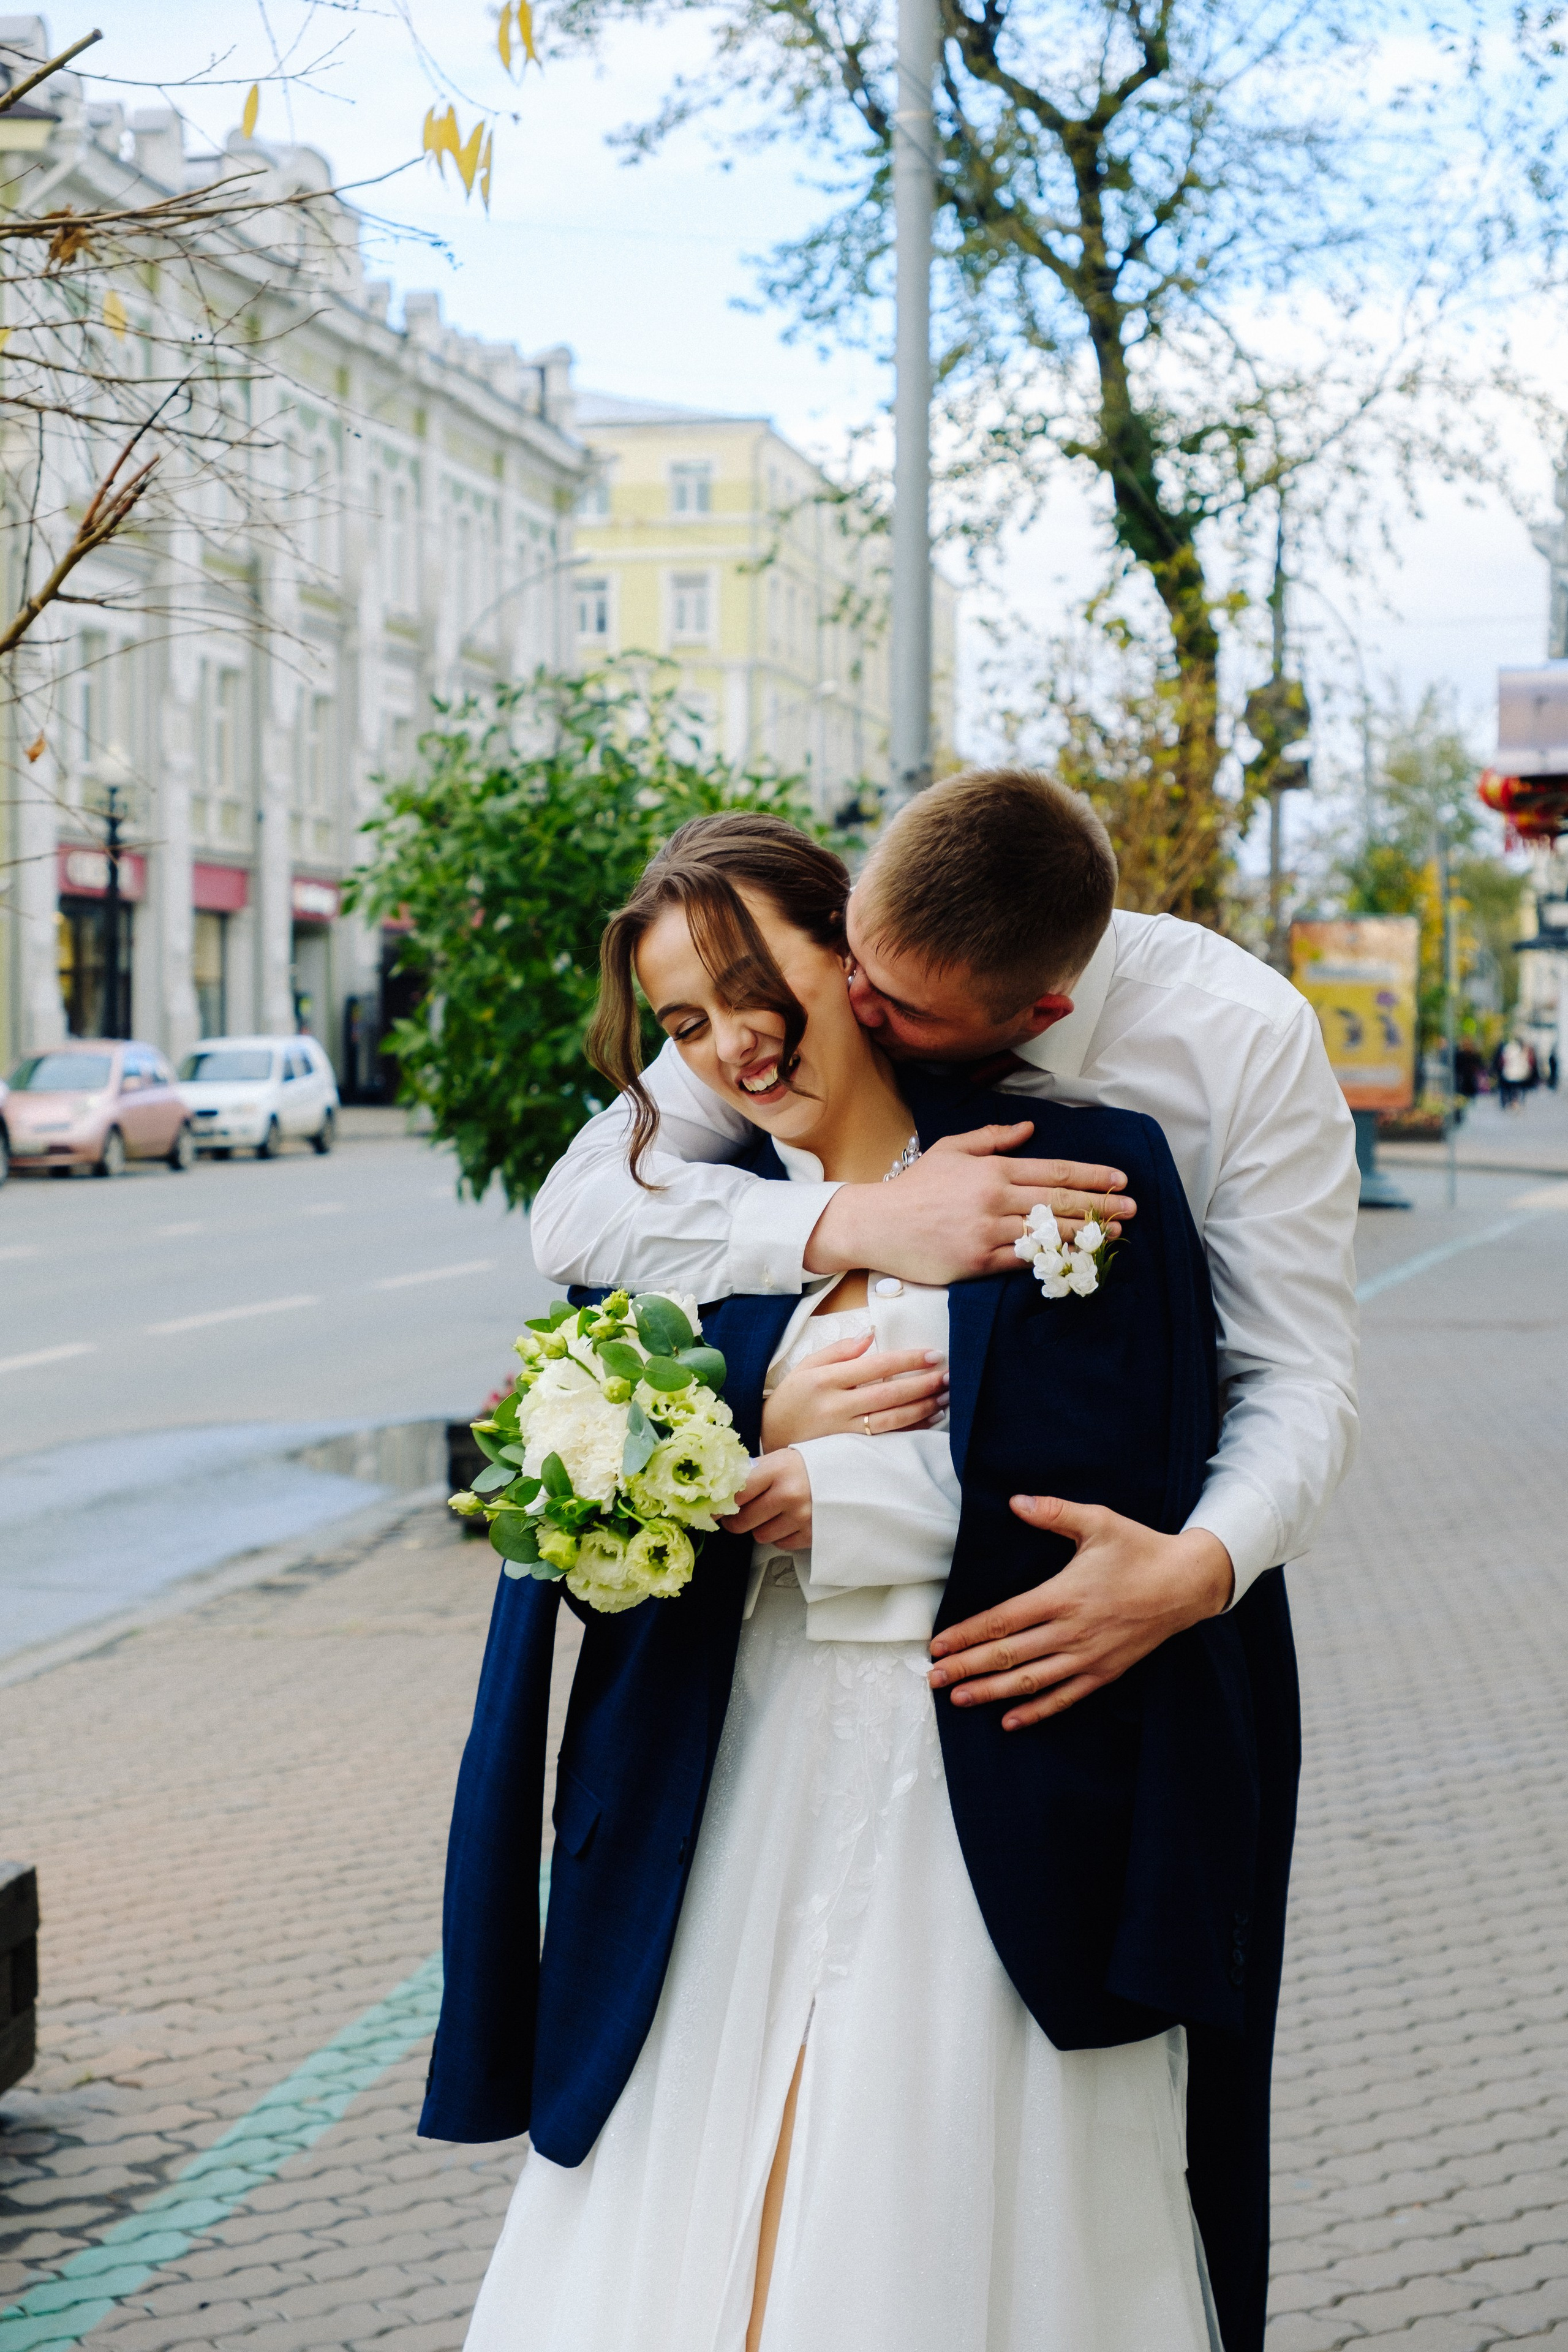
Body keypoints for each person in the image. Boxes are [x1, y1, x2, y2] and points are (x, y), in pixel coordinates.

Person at [424, 812, 1293, 2352]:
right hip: (732, 1777)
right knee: (697, 2168)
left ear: (855, 954)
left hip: (980, 1794)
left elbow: (1105, 1475)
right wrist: (750, 1422)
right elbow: (566, 1467)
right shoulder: (693, 1205)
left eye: (756, 985)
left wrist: (836, 1490)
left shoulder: (1071, 1165)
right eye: (685, 1019)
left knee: (924, 2196)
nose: (733, 1044)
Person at [532, 767, 1359, 1732]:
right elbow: (577, 1213)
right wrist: (868, 1221)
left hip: (1107, 1650)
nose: (860, 1013)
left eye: (905, 1011)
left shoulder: (1241, 1044)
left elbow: (1293, 1377)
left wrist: (1200, 1565)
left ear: (1038, 1017)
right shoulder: (796, 999)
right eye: (852, 963)